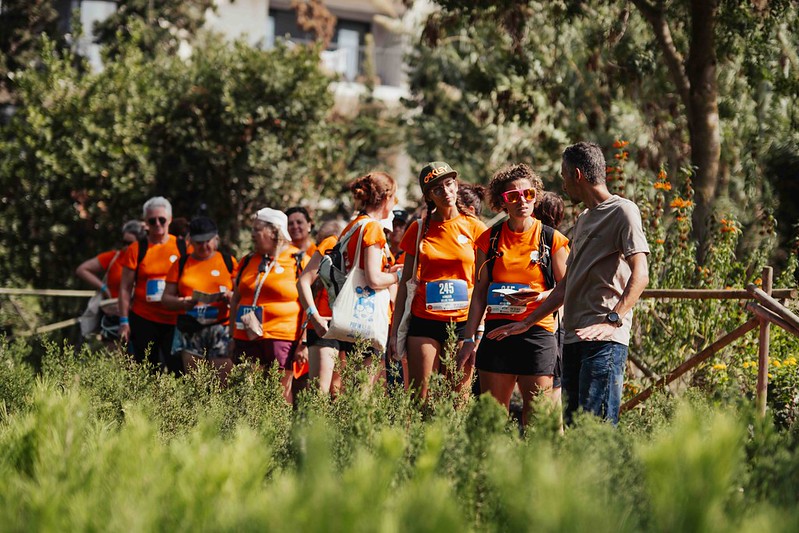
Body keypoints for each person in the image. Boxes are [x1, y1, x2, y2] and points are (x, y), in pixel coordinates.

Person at [488, 142, 650, 425]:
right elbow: (567, 284)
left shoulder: (623, 211)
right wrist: (529, 320)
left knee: (594, 430)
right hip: (574, 339)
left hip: (604, 341)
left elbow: (641, 273)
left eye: (563, 175)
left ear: (577, 174)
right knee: (576, 430)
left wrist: (613, 320)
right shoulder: (585, 217)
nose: (562, 184)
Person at [456, 163, 570, 427]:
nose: (522, 201)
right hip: (498, 333)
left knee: (539, 423)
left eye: (528, 194)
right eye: (513, 196)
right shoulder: (489, 239)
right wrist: (469, 339)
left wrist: (538, 297)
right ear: (502, 201)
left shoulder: (551, 239)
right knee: (491, 420)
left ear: (535, 196)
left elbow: (567, 288)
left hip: (538, 333)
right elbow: (480, 293)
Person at [388, 161, 487, 400]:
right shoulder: (419, 228)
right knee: (420, 400)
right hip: (424, 321)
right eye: (437, 189)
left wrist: (478, 330)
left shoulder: (476, 228)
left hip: (463, 324)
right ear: (428, 196)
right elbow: (405, 284)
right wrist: (394, 333)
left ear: (456, 184)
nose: (446, 192)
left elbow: (483, 283)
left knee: (457, 401)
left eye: (449, 184)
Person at [229, 208, 308, 403]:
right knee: (247, 394)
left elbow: (309, 304)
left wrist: (303, 342)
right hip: (246, 335)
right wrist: (231, 335)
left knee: (279, 395)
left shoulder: (298, 260)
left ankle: (278, 433)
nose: (252, 235)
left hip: (282, 337)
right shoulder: (248, 260)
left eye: (257, 230)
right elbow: (236, 298)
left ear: (273, 232)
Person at [161, 216, 237, 381]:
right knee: (196, 385)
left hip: (221, 327)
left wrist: (230, 297)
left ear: (216, 238)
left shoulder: (227, 261)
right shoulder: (181, 264)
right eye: (199, 242)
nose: (204, 246)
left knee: (223, 385)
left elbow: (241, 295)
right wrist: (183, 302)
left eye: (208, 241)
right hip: (191, 327)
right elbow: (166, 299)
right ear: (190, 241)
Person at [118, 197, 186, 373]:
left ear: (169, 220)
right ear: (146, 223)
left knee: (179, 370)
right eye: (152, 220)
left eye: (162, 219)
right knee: (146, 371)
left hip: (175, 320)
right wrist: (124, 321)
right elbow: (125, 288)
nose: (157, 224)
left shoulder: (183, 247)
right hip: (144, 319)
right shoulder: (136, 249)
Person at [296, 219, 347, 396]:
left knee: (335, 390)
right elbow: (304, 286)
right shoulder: (332, 242)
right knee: (322, 391)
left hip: (339, 324)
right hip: (324, 324)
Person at [75, 220, 146, 342]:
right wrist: (103, 287)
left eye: (130, 243)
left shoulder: (146, 259)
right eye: (124, 242)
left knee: (140, 358)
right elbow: (82, 269)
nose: (126, 247)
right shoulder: (115, 257)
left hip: (138, 315)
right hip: (114, 315)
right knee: (115, 357)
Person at [285, 206, 316, 397]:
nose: (295, 227)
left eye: (299, 222)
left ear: (309, 225)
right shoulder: (282, 256)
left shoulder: (316, 253)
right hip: (287, 333)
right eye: (290, 223)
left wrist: (304, 340)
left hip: (311, 332)